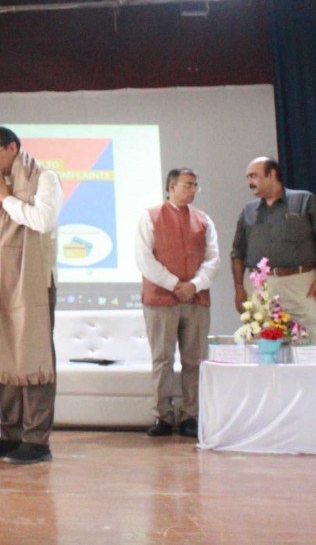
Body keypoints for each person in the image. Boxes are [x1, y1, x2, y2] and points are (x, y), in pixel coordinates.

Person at [0, 125, 63, 464]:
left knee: (33, 357)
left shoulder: (45, 178)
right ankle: (10, 435)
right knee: (3, 356)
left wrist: (8, 199)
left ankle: (37, 441)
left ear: (12, 148)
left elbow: (42, 220)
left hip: (34, 283)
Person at [135, 168, 220, 438]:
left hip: (196, 299)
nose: (192, 190)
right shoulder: (150, 217)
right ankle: (162, 416)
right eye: (187, 184)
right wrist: (175, 285)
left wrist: (194, 285)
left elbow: (213, 259)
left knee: (194, 360)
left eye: (195, 185)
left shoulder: (203, 219)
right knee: (162, 360)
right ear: (171, 187)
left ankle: (190, 416)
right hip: (160, 300)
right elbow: (145, 260)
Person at [230, 157, 316, 344]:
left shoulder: (304, 200)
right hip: (260, 286)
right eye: (248, 178)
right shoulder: (248, 210)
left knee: (314, 335)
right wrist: (239, 287)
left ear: (272, 174)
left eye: (253, 176)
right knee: (260, 340)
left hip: (302, 283)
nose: (249, 183)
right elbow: (237, 253)